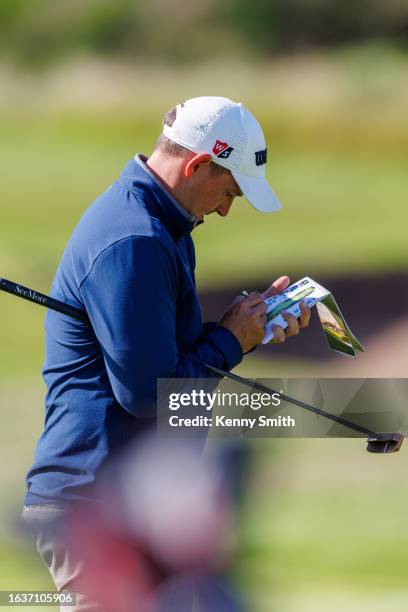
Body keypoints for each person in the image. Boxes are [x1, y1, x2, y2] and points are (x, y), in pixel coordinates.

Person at [21, 96, 311, 610]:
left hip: (135, 497)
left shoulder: (164, 227)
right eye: (230, 191)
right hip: (98, 505)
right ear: (198, 165)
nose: (225, 208)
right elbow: (151, 396)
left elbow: (162, 353)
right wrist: (231, 342)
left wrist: (241, 330)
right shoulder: (134, 239)